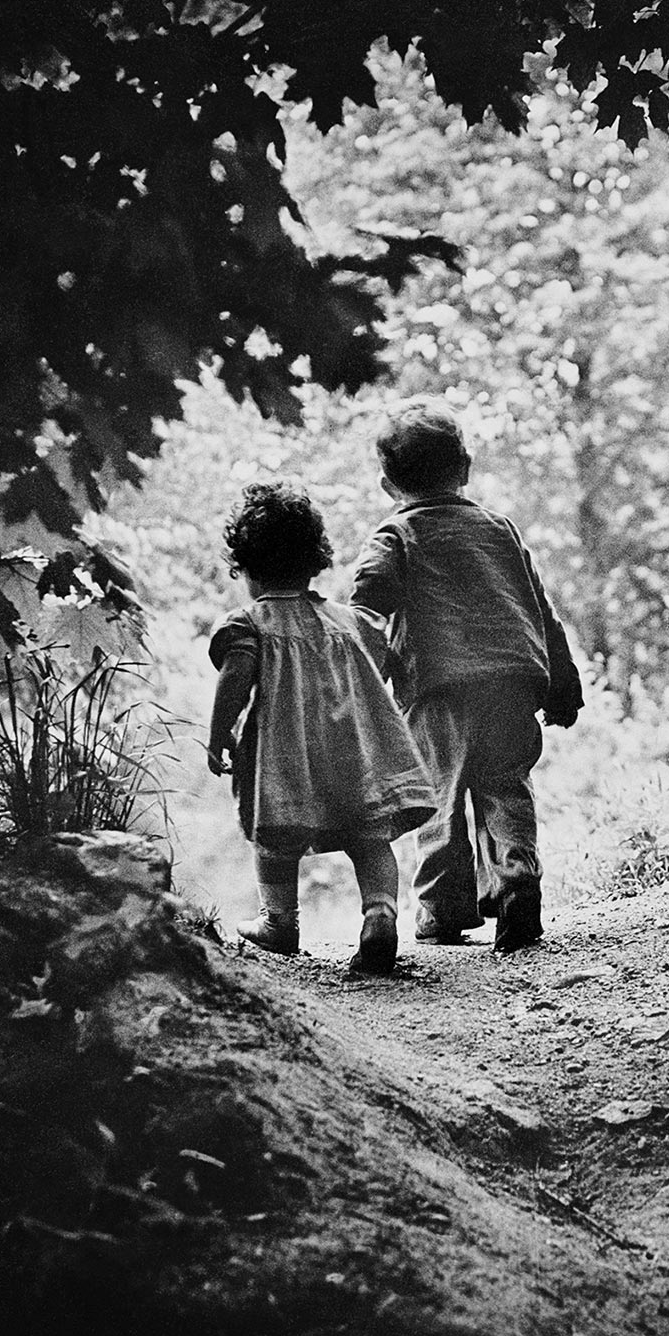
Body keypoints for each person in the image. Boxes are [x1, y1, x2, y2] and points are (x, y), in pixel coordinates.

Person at [350, 398, 583, 953]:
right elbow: (540, 608)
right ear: (467, 468)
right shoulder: (499, 529)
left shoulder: (395, 536)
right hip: (512, 681)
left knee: (438, 799)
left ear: (388, 485)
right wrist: (562, 683)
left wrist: (364, 672)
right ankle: (518, 879)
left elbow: (366, 604)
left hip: (438, 689)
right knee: (506, 787)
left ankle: (442, 909)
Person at [207, 481, 435, 975]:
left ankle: (279, 923)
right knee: (370, 836)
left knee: (274, 840)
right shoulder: (347, 620)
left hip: (285, 757)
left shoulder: (250, 624)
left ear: (246, 568)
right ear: (315, 561)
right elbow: (381, 661)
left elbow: (235, 680)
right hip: (356, 751)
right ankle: (380, 914)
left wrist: (218, 732)